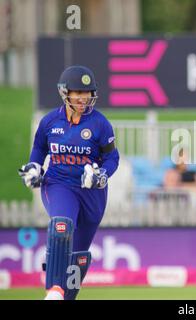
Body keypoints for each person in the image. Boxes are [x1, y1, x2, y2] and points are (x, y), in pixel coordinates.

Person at [18, 65, 120, 300]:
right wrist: (34, 166)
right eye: (78, 92)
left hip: (92, 193)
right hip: (58, 183)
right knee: (62, 225)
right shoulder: (49, 122)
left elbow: (112, 157)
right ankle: (53, 290)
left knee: (78, 256)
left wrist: (101, 175)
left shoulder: (100, 124)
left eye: (88, 92)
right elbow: (39, 149)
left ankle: (65, 295)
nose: (84, 98)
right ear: (65, 93)